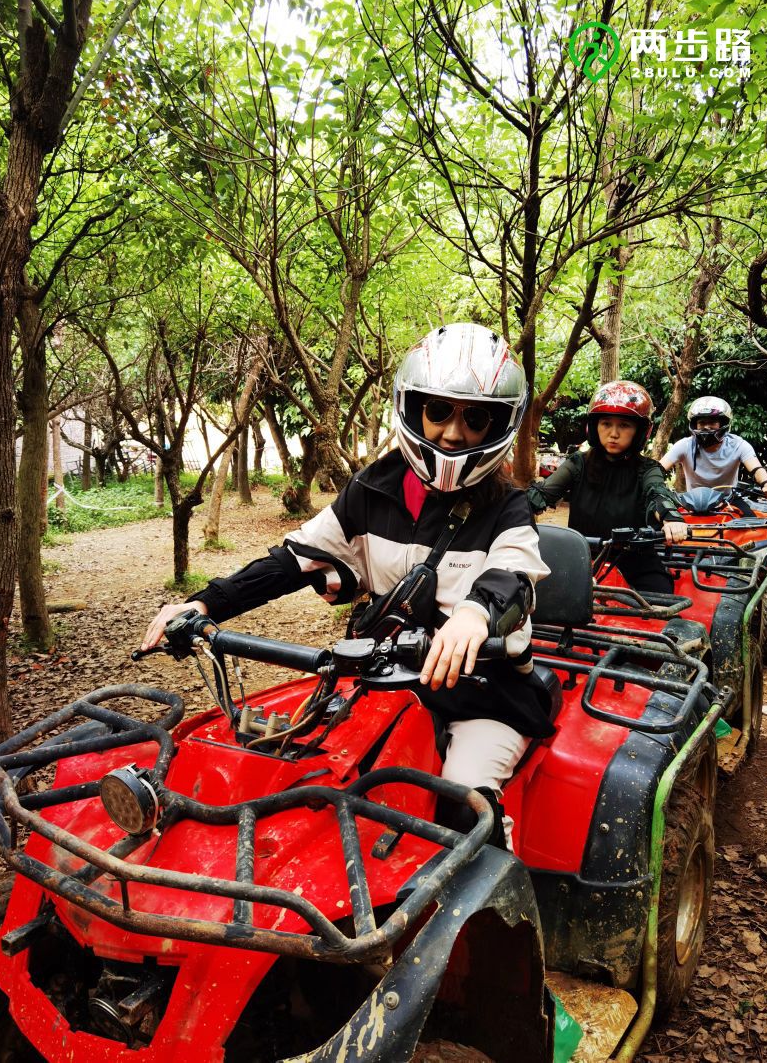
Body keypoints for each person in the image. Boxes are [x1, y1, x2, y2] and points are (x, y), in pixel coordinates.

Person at [142, 323, 554, 849]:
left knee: (465, 808)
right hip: (385, 681)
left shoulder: (509, 507)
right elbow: (295, 559)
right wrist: (205, 601)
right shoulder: (372, 488)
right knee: (304, 777)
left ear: (499, 423)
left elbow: (514, 572)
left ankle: (493, 910)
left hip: (483, 693)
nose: (453, 434)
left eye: (474, 418)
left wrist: (477, 613)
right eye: (438, 411)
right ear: (412, 409)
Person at [527, 381, 688, 595]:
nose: (613, 433)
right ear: (594, 427)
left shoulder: (648, 469)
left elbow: (657, 492)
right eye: (606, 423)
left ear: (640, 431)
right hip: (581, 556)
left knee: (660, 597)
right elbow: (542, 494)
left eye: (624, 425)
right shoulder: (577, 463)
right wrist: (511, 508)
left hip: (635, 559)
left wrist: (671, 517)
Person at [659, 396, 767, 501]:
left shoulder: (738, 444)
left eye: (712, 422)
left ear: (722, 424)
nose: (706, 427)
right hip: (693, 502)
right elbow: (658, 469)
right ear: (694, 425)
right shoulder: (685, 445)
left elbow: (756, 469)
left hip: (729, 501)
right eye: (701, 422)